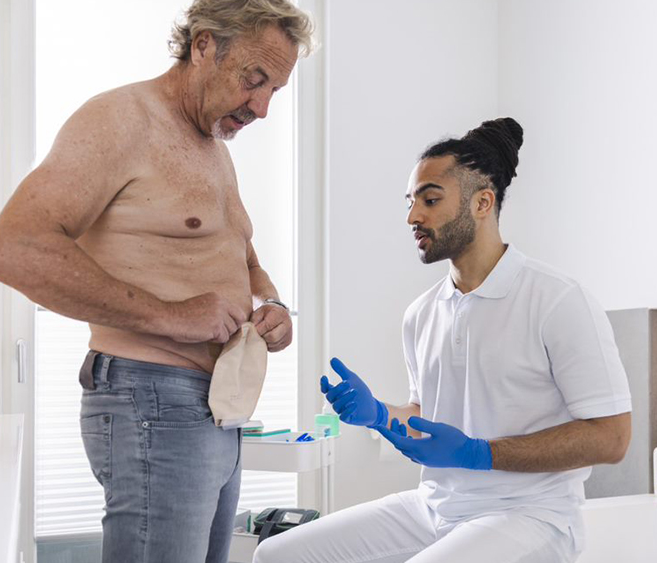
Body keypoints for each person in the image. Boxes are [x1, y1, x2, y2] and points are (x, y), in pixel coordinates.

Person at [0, 1, 314, 561]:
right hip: (152, 399)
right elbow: (14, 249)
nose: (260, 108)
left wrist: (270, 302)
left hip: (215, 407)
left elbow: (243, 259)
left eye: (273, 92)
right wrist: (173, 315)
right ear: (204, 45)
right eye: (253, 81)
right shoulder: (121, 121)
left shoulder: (213, 148)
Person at [254, 118, 632, 563]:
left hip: (531, 516)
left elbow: (612, 438)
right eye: (411, 202)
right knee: (277, 555)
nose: (413, 216)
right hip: (434, 507)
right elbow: (426, 417)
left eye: (430, 200)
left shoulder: (556, 300)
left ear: (482, 203)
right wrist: (380, 414)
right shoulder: (422, 313)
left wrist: (479, 454)